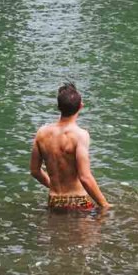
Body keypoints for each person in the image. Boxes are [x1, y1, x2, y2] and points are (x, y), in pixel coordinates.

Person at [29, 83, 111, 212]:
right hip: (78, 200)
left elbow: (35, 171)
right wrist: (104, 204)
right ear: (81, 106)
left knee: (57, 232)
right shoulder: (80, 135)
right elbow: (85, 177)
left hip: (54, 200)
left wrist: (52, 185)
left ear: (59, 107)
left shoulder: (41, 133)